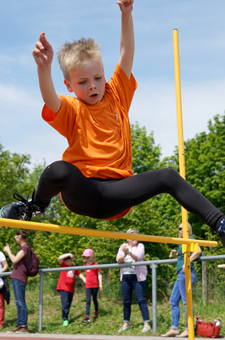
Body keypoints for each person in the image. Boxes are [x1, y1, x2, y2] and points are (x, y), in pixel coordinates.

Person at [1, 0, 225, 249]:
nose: (93, 85)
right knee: (57, 170)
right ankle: (34, 207)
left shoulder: (116, 93)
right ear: (70, 86)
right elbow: (49, 99)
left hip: (120, 192)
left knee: (168, 176)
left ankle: (221, 224)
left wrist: (126, 15)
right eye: (83, 82)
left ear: (104, 74)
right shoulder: (73, 109)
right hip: (83, 191)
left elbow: (126, 53)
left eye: (97, 77)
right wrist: (44, 69)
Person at [161, 222, 201, 338]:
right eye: (179, 229)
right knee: (173, 300)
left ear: (188, 229)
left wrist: (187, 262)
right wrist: (176, 254)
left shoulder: (190, 238)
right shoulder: (182, 242)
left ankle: (189, 329)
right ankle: (174, 328)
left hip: (187, 273)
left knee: (186, 302)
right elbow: (185, 253)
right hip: (181, 275)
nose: (180, 231)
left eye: (182, 229)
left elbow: (198, 251)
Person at [116, 228, 150, 333]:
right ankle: (126, 323)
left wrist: (128, 252)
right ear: (127, 238)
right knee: (126, 301)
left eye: (137, 235)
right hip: (125, 276)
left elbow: (138, 257)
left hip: (137, 276)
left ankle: (146, 324)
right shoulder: (122, 246)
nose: (136, 238)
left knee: (141, 300)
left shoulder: (140, 246)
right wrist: (125, 253)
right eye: (133, 235)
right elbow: (118, 259)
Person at [3, 230, 32, 333]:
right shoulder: (23, 248)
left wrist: (8, 251)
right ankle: (19, 324)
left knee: (20, 302)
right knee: (17, 302)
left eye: (16, 238)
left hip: (20, 277)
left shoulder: (26, 248)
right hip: (16, 277)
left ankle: (24, 326)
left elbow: (14, 260)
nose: (15, 240)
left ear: (19, 237)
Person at [56, 253, 86, 326]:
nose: (69, 262)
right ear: (65, 262)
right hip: (63, 287)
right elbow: (60, 258)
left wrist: (85, 279)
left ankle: (65, 316)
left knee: (68, 304)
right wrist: (69, 254)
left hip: (71, 289)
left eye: (70, 261)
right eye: (68, 261)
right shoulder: (63, 265)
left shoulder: (74, 267)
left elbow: (79, 274)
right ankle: (65, 319)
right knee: (65, 303)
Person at [81, 249, 102, 323]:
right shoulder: (84, 266)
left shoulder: (95, 265)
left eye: (87, 257)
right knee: (88, 300)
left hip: (95, 285)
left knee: (94, 299)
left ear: (92, 257)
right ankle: (87, 316)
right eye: (85, 258)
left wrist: (100, 284)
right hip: (88, 286)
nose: (86, 259)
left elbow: (99, 274)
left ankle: (96, 311)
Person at [0, 251, 9, 328]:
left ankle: (0, 323)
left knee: (0, 304)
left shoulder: (0, 253)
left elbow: (5, 265)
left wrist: (0, 272)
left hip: (0, 282)